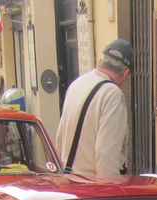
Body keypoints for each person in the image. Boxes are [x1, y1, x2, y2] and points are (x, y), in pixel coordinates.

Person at [55, 38, 132, 177]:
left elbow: (60, 139)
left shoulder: (76, 84)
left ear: (100, 61)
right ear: (126, 73)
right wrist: (110, 186)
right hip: (92, 183)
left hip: (69, 179)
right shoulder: (112, 94)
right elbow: (106, 155)